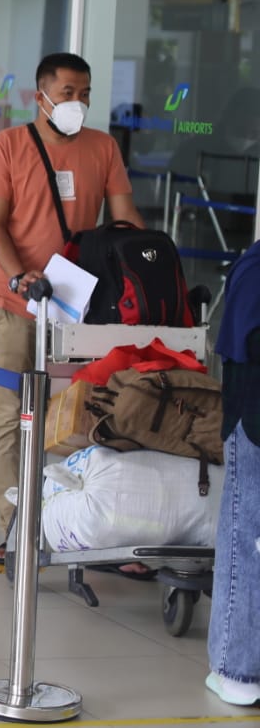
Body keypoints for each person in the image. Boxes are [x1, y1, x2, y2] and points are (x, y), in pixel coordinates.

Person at [0, 52, 142, 565]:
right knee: (14, 415)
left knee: (80, 415)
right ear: (40, 95)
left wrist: (150, 258)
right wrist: (19, 275)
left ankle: (78, 522)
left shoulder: (103, 147)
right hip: (13, 298)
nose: (78, 102)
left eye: (85, 92)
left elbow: (124, 214)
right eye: (68, 92)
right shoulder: (7, 145)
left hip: (75, 304)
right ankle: (15, 528)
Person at [208, 240, 260, 708]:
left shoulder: (254, 270)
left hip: (255, 423)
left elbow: (239, 348)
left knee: (245, 539)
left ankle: (238, 668)